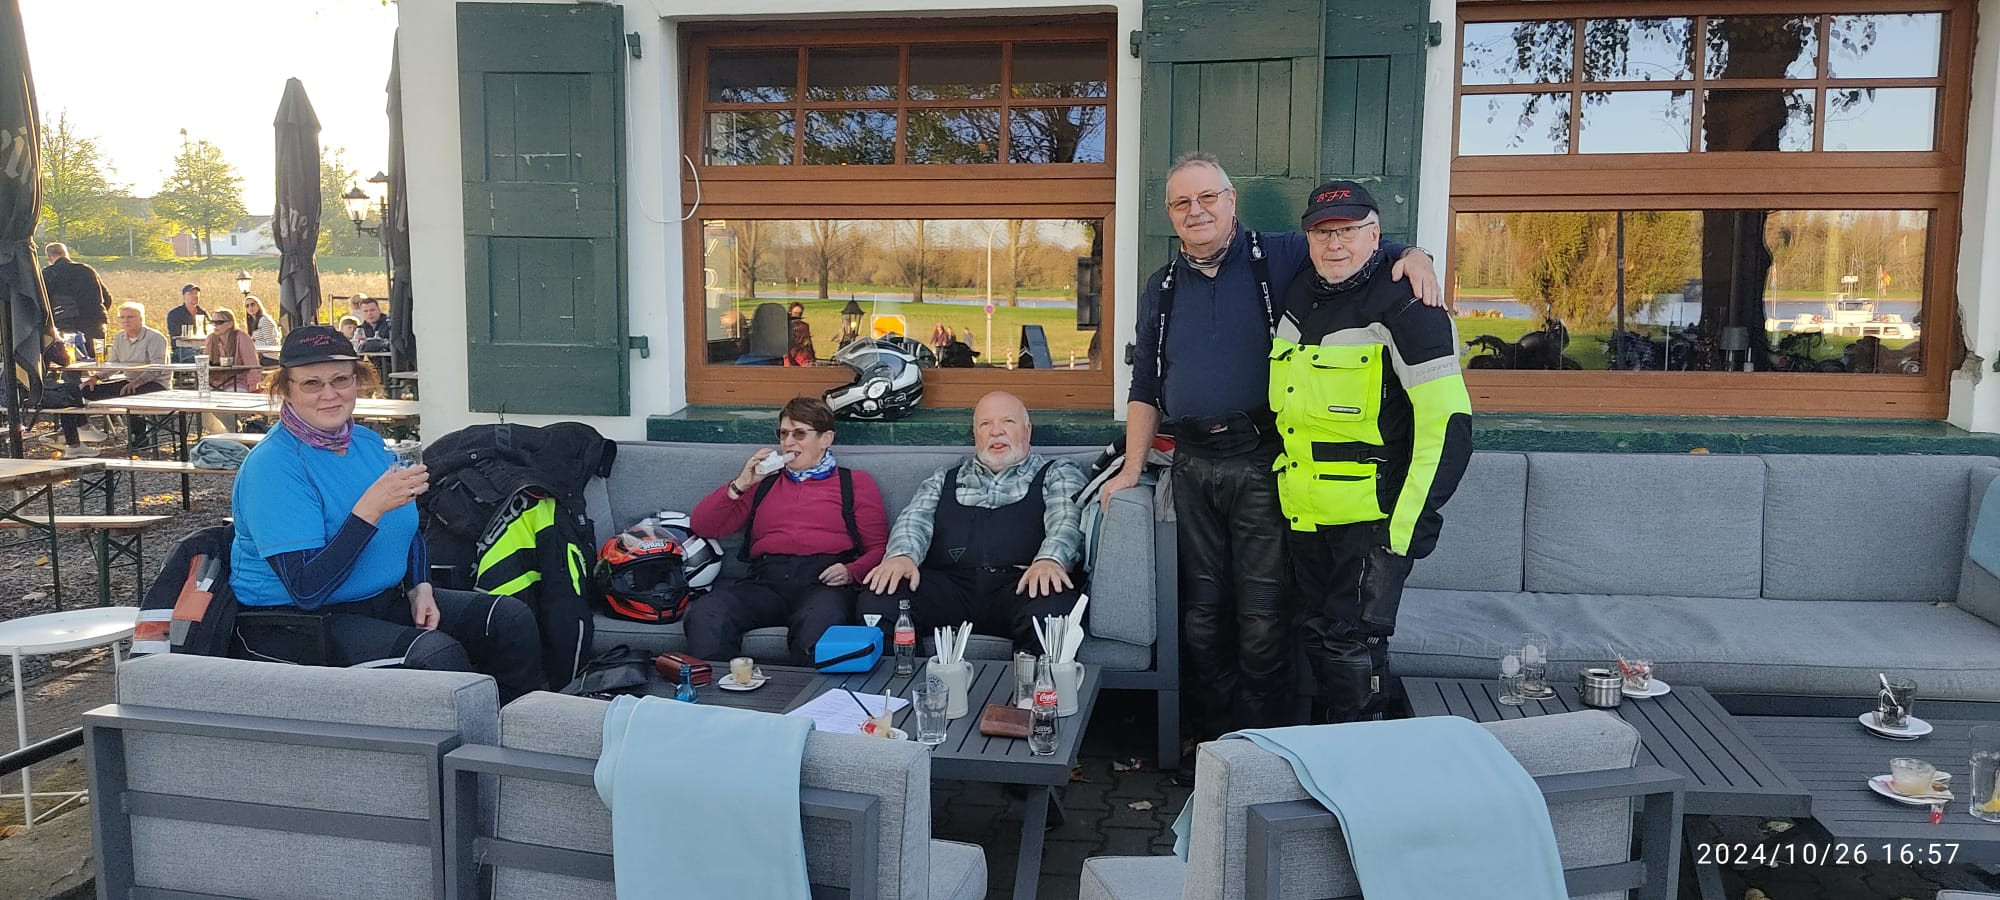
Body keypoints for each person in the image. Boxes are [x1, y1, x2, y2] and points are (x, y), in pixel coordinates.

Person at [1101, 151, 1442, 743]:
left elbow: (1356, 248)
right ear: (1169, 214)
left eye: (1208, 197)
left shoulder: (1278, 254)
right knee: (1202, 618)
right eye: (1182, 202)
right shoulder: (1162, 286)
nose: (1196, 210)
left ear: (1231, 201)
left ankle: (1265, 747)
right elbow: (1145, 385)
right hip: (1191, 466)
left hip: (1261, 461)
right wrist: (1132, 468)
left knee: (1263, 619)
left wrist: (1417, 256)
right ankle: (1216, 745)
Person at [229, 325, 542, 700]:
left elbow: (406, 529)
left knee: (509, 620)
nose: (329, 394)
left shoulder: (367, 442)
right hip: (296, 623)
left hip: (379, 601)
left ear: (357, 381)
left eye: (341, 379)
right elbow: (306, 588)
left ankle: (516, 729)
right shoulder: (274, 466)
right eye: (312, 383)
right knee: (437, 657)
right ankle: (470, 737)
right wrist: (369, 509)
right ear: (286, 389)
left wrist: (419, 586)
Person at [1271, 181, 1473, 724]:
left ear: (1375, 234)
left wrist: (1402, 533)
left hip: (1372, 523)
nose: (1335, 244)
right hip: (1304, 519)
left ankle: (1363, 767)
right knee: (1315, 644)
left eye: (1349, 231)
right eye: (1322, 233)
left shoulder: (1410, 306)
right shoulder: (1299, 293)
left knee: (1354, 656)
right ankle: (1321, 761)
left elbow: (1448, 429)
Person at [859, 392, 1087, 650]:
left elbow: (1067, 522)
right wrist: (902, 556)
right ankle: (906, 676)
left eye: (1008, 422)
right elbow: (913, 521)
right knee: (879, 598)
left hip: (1022, 586)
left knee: (1053, 611)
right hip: (950, 589)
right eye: (985, 424)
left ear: (1027, 431)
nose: (996, 431)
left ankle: (1033, 678)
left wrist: (1051, 560)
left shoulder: (1057, 473)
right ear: (976, 435)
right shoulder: (943, 479)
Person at [681, 396, 890, 662]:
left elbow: (879, 549)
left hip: (823, 581)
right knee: (706, 613)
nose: (788, 442)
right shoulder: (764, 483)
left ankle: (803, 689)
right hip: (766, 581)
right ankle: (717, 687)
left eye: (799, 434)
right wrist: (742, 483)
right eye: (783, 434)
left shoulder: (854, 482)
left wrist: (852, 572)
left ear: (825, 439)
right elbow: (703, 526)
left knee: (818, 625)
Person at [40, 243, 112, 360]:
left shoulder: (48, 274)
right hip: (96, 325)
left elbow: (43, 303)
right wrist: (98, 314)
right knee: (100, 360)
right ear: (66, 254)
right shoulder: (87, 269)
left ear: (50, 257)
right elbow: (107, 298)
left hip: (67, 328)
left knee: (73, 363)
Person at [204, 309, 261, 393]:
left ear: (230, 324)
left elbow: (252, 365)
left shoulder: (241, 337)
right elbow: (205, 364)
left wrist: (253, 387)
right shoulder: (210, 339)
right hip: (216, 383)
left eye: (219, 322)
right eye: (213, 322)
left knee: (233, 393)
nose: (215, 325)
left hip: (238, 382)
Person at [166, 284, 205, 362]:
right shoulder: (175, 314)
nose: (195, 296)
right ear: (184, 296)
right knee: (197, 357)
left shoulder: (203, 313)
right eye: (191, 293)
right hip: (181, 349)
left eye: (196, 293)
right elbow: (175, 334)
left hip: (200, 347)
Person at [242, 295, 281, 364]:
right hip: (260, 356)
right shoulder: (253, 322)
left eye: (252, 304)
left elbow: (271, 343)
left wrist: (253, 344)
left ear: (258, 305)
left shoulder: (264, 320)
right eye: (247, 306)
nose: (250, 308)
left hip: (270, 357)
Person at [784, 301, 816, 367]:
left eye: (800, 313)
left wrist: (812, 357)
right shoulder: (784, 326)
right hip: (789, 355)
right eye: (795, 313)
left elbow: (808, 344)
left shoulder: (804, 326)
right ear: (790, 313)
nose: (798, 316)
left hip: (802, 356)